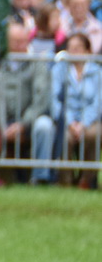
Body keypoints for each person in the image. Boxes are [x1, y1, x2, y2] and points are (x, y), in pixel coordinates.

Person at [0, 20, 56, 184]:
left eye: (24, 41)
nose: (22, 45)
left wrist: (22, 123)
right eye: (16, 42)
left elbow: (41, 98)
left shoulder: (37, 64)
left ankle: (40, 178)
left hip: (27, 121)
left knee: (45, 126)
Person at [51, 31, 102, 175]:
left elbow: (99, 103)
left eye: (78, 48)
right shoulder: (59, 70)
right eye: (70, 48)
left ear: (88, 51)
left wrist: (83, 124)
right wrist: (71, 123)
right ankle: (65, 181)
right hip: (67, 119)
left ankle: (87, 180)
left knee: (94, 134)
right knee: (64, 136)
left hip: (91, 120)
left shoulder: (98, 72)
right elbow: (56, 100)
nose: (73, 52)